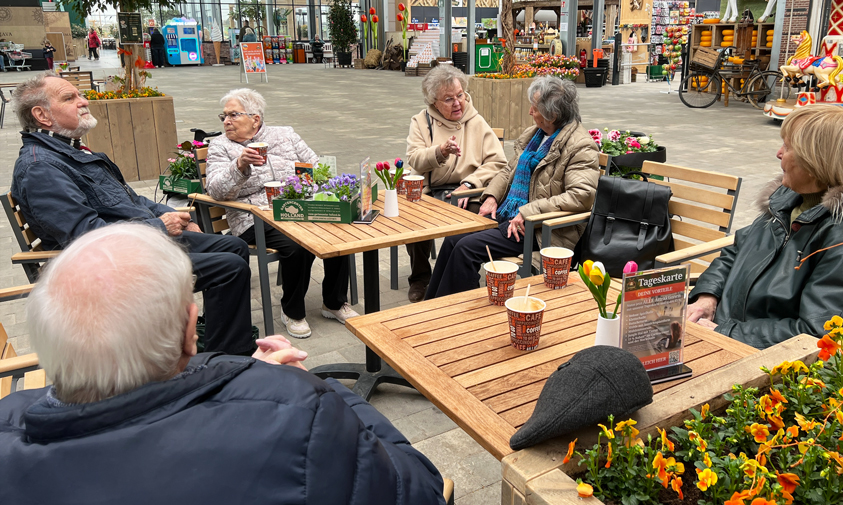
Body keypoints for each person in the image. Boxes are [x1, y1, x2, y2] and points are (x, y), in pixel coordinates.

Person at [0, 224, 447, 505]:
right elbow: (420, 488)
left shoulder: (10, 423)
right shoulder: (297, 417)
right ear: (190, 329)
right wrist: (325, 394)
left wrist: (233, 375)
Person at [10, 72, 255, 356]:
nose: (84, 101)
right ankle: (229, 361)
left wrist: (171, 215)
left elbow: (130, 199)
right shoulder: (41, 168)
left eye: (79, 95)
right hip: (110, 266)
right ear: (42, 114)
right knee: (229, 268)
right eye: (70, 98)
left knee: (234, 246)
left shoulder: (68, 151)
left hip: (136, 241)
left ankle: (217, 341)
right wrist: (161, 227)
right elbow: (86, 237)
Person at [686, 105, 843, 349]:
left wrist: (727, 332)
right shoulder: (787, 201)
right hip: (725, 337)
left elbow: (818, 336)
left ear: (816, 160)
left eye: (787, 147)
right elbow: (736, 252)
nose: (778, 153)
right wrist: (707, 297)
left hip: (773, 367)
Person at [424, 76, 600, 299]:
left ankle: (460, 315)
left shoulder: (580, 145)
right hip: (511, 216)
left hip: (539, 229)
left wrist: (527, 212)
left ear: (552, 115)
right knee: (453, 240)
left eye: (534, 108)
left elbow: (581, 196)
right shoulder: (535, 136)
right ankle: (433, 305)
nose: (529, 112)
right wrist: (492, 197)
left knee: (466, 248)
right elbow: (508, 171)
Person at [206, 88, 359, 338]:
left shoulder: (284, 134)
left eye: (233, 115)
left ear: (255, 118)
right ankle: (292, 311)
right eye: (223, 116)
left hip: (297, 208)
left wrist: (306, 181)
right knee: (297, 246)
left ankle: (333, 302)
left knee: (337, 230)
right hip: (253, 217)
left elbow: (316, 165)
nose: (226, 121)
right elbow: (215, 190)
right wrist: (240, 165)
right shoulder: (220, 146)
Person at [405, 64, 506, 302]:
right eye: (448, 99)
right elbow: (414, 159)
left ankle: (459, 278)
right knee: (413, 220)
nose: (457, 103)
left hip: (469, 192)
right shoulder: (421, 121)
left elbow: (498, 162)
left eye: (460, 95)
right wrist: (439, 151)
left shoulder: (476, 120)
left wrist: (471, 184)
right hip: (431, 190)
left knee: (472, 224)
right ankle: (420, 278)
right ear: (434, 102)